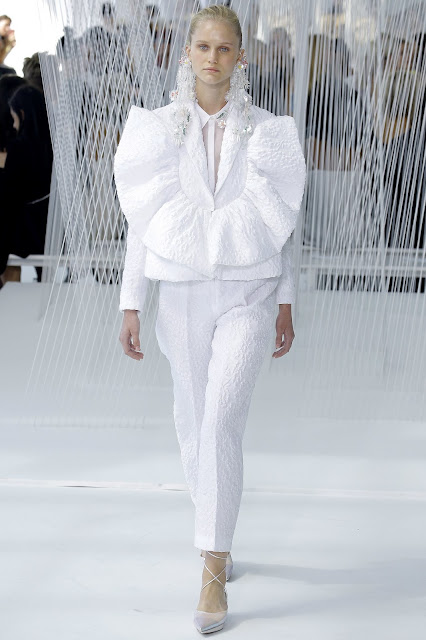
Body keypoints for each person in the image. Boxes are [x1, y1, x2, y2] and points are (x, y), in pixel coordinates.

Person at [113, 5, 305, 634]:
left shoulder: (269, 133)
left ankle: (213, 569)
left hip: (250, 292)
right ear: (187, 53)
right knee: (194, 420)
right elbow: (143, 220)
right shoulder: (158, 130)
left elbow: (284, 221)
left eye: (225, 49)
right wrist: (131, 301)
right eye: (203, 47)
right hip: (181, 294)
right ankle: (214, 530)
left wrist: (286, 298)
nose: (213, 59)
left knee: (221, 417)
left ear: (241, 56)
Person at [0, 85, 53, 287]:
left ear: (22, 114)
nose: (14, 125)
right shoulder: (52, 144)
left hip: (27, 230)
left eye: (14, 118)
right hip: (49, 228)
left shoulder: (19, 147)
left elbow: (9, 195)